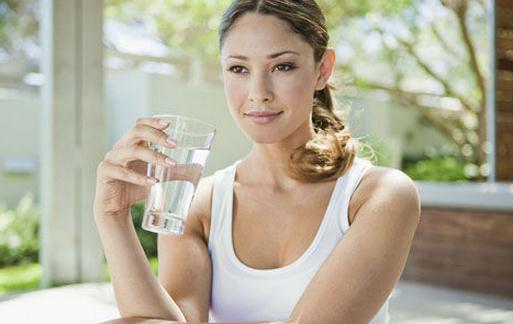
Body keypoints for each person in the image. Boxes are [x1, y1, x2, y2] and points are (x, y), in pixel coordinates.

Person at [94, 1, 421, 323]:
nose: (258, 92)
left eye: (282, 66)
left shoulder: (379, 195)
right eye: (239, 69)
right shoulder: (199, 204)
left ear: (323, 69)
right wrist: (112, 216)